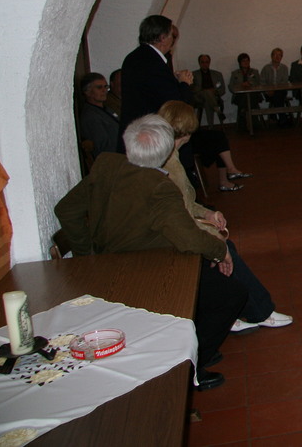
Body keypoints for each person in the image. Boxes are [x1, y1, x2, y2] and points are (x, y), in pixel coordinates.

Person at [54, 115, 246, 391]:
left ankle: (195, 345)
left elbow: (66, 210)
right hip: (146, 267)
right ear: (167, 152)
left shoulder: (107, 166)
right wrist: (220, 250)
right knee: (231, 294)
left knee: (208, 285)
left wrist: (89, 253)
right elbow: (187, 238)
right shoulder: (159, 187)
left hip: (111, 260)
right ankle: (190, 366)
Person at [158, 102, 293, 332]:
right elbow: (182, 217)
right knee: (225, 249)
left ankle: (234, 312)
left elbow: (185, 204)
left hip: (178, 227)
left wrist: (208, 213)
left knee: (225, 249)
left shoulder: (170, 156)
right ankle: (261, 312)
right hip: (175, 236)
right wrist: (214, 236)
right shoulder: (173, 167)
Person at [119, 15, 194, 142]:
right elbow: (175, 106)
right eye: (171, 35)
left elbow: (153, 90)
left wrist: (172, 80)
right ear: (163, 38)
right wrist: (184, 83)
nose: (173, 40)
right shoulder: (154, 63)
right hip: (150, 136)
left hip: (135, 129)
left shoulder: (134, 57)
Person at [78, 72, 120, 159]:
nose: (104, 91)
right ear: (87, 92)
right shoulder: (91, 116)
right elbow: (103, 147)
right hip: (113, 160)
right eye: (99, 87)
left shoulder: (106, 109)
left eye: (106, 87)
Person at [229, 53, 262, 132]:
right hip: (239, 96)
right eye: (243, 61)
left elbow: (259, 84)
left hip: (253, 95)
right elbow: (231, 86)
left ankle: (243, 114)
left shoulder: (254, 72)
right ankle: (253, 123)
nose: (246, 62)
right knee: (245, 98)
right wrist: (241, 85)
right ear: (240, 63)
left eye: (247, 60)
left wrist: (250, 84)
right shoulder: (235, 73)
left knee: (249, 98)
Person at [192, 54, 227, 127]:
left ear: (209, 63)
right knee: (207, 93)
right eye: (202, 62)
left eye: (207, 62)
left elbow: (222, 89)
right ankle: (217, 110)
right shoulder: (193, 75)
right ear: (199, 63)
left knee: (208, 101)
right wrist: (206, 91)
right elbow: (192, 89)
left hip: (213, 97)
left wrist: (215, 91)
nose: (205, 64)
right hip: (199, 97)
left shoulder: (217, 74)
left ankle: (211, 127)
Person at [260, 47, 291, 127]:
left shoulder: (284, 68)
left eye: (279, 55)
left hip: (281, 91)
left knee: (278, 95)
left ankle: (275, 116)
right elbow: (262, 82)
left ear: (281, 57)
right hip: (268, 92)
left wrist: (275, 90)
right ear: (271, 56)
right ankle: (283, 119)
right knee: (278, 97)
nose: (277, 57)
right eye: (275, 55)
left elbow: (284, 82)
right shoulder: (266, 68)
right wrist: (267, 91)